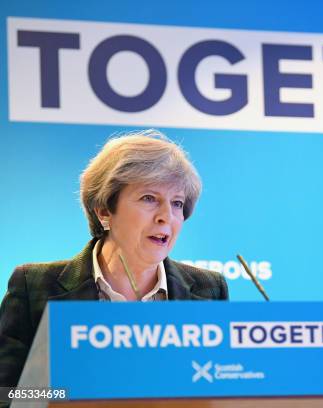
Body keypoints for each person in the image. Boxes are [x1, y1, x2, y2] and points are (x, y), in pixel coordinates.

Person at [0, 129, 228, 388]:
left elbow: (219, 390)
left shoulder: (209, 290)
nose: (167, 216)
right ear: (104, 211)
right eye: (149, 198)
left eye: (177, 203)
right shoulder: (35, 286)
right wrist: (64, 399)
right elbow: (6, 394)